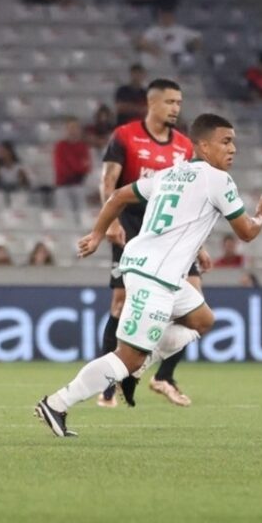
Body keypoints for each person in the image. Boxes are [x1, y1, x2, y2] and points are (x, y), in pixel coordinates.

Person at [35, 113, 262, 438]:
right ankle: (57, 403)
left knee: (203, 319)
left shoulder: (171, 174)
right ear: (203, 146)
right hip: (154, 275)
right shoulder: (219, 180)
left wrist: (96, 234)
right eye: (225, 141)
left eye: (234, 141)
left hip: (155, 269)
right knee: (126, 359)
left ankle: (143, 362)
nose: (233, 148)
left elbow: (119, 195)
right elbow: (246, 233)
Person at [97, 79, 203, 409]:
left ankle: (163, 376)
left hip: (173, 234)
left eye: (179, 103)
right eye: (170, 102)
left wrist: (200, 245)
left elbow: (190, 198)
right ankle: (107, 385)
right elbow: (108, 181)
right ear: (151, 103)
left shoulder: (185, 146)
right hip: (131, 229)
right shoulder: (125, 136)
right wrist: (110, 221)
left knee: (194, 302)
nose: (175, 108)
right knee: (120, 303)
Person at [136, 6, 202, 70]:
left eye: (168, 16)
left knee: (189, 59)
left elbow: (197, 37)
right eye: (164, 17)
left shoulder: (180, 29)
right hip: (161, 56)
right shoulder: (154, 30)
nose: (166, 19)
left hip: (179, 56)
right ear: (160, 17)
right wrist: (154, 50)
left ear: (172, 17)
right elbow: (142, 43)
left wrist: (193, 47)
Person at [54, 117, 91, 198]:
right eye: (71, 128)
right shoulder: (60, 146)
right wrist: (78, 166)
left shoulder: (83, 147)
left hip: (79, 185)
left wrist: (75, 166)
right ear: (66, 130)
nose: (73, 130)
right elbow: (61, 167)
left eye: (75, 128)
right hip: (63, 185)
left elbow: (87, 167)